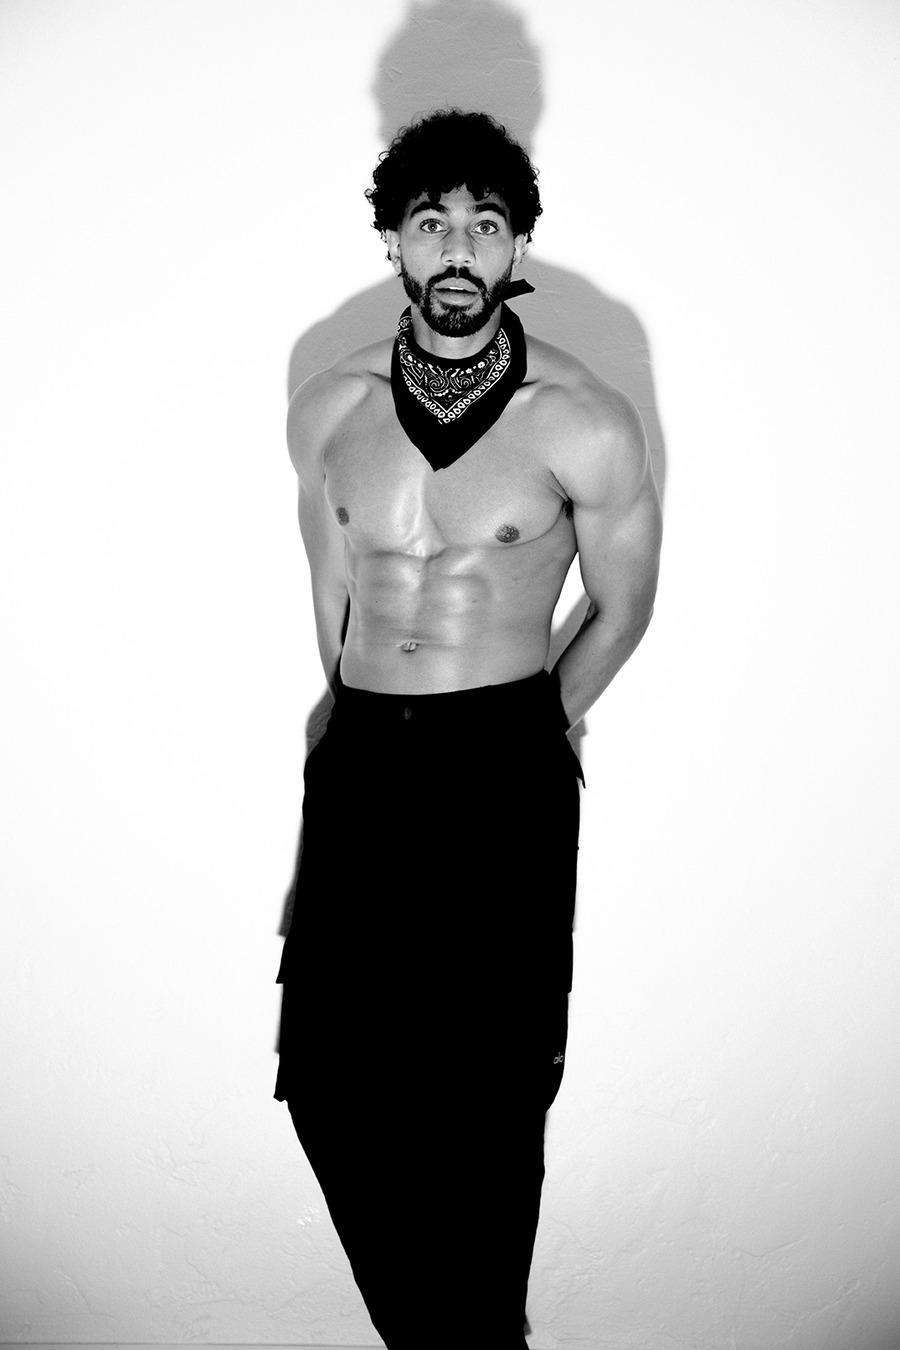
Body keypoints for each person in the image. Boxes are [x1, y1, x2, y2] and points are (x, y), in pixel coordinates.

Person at [276, 109, 662, 1349]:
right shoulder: (328, 403)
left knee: (489, 1095)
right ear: (393, 240)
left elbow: (624, 606)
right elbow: (331, 580)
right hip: (359, 758)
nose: (457, 247)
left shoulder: (583, 418)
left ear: (516, 247)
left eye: (485, 225)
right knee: (330, 1083)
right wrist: (343, 714)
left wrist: (537, 727)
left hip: (500, 759)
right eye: (431, 221)